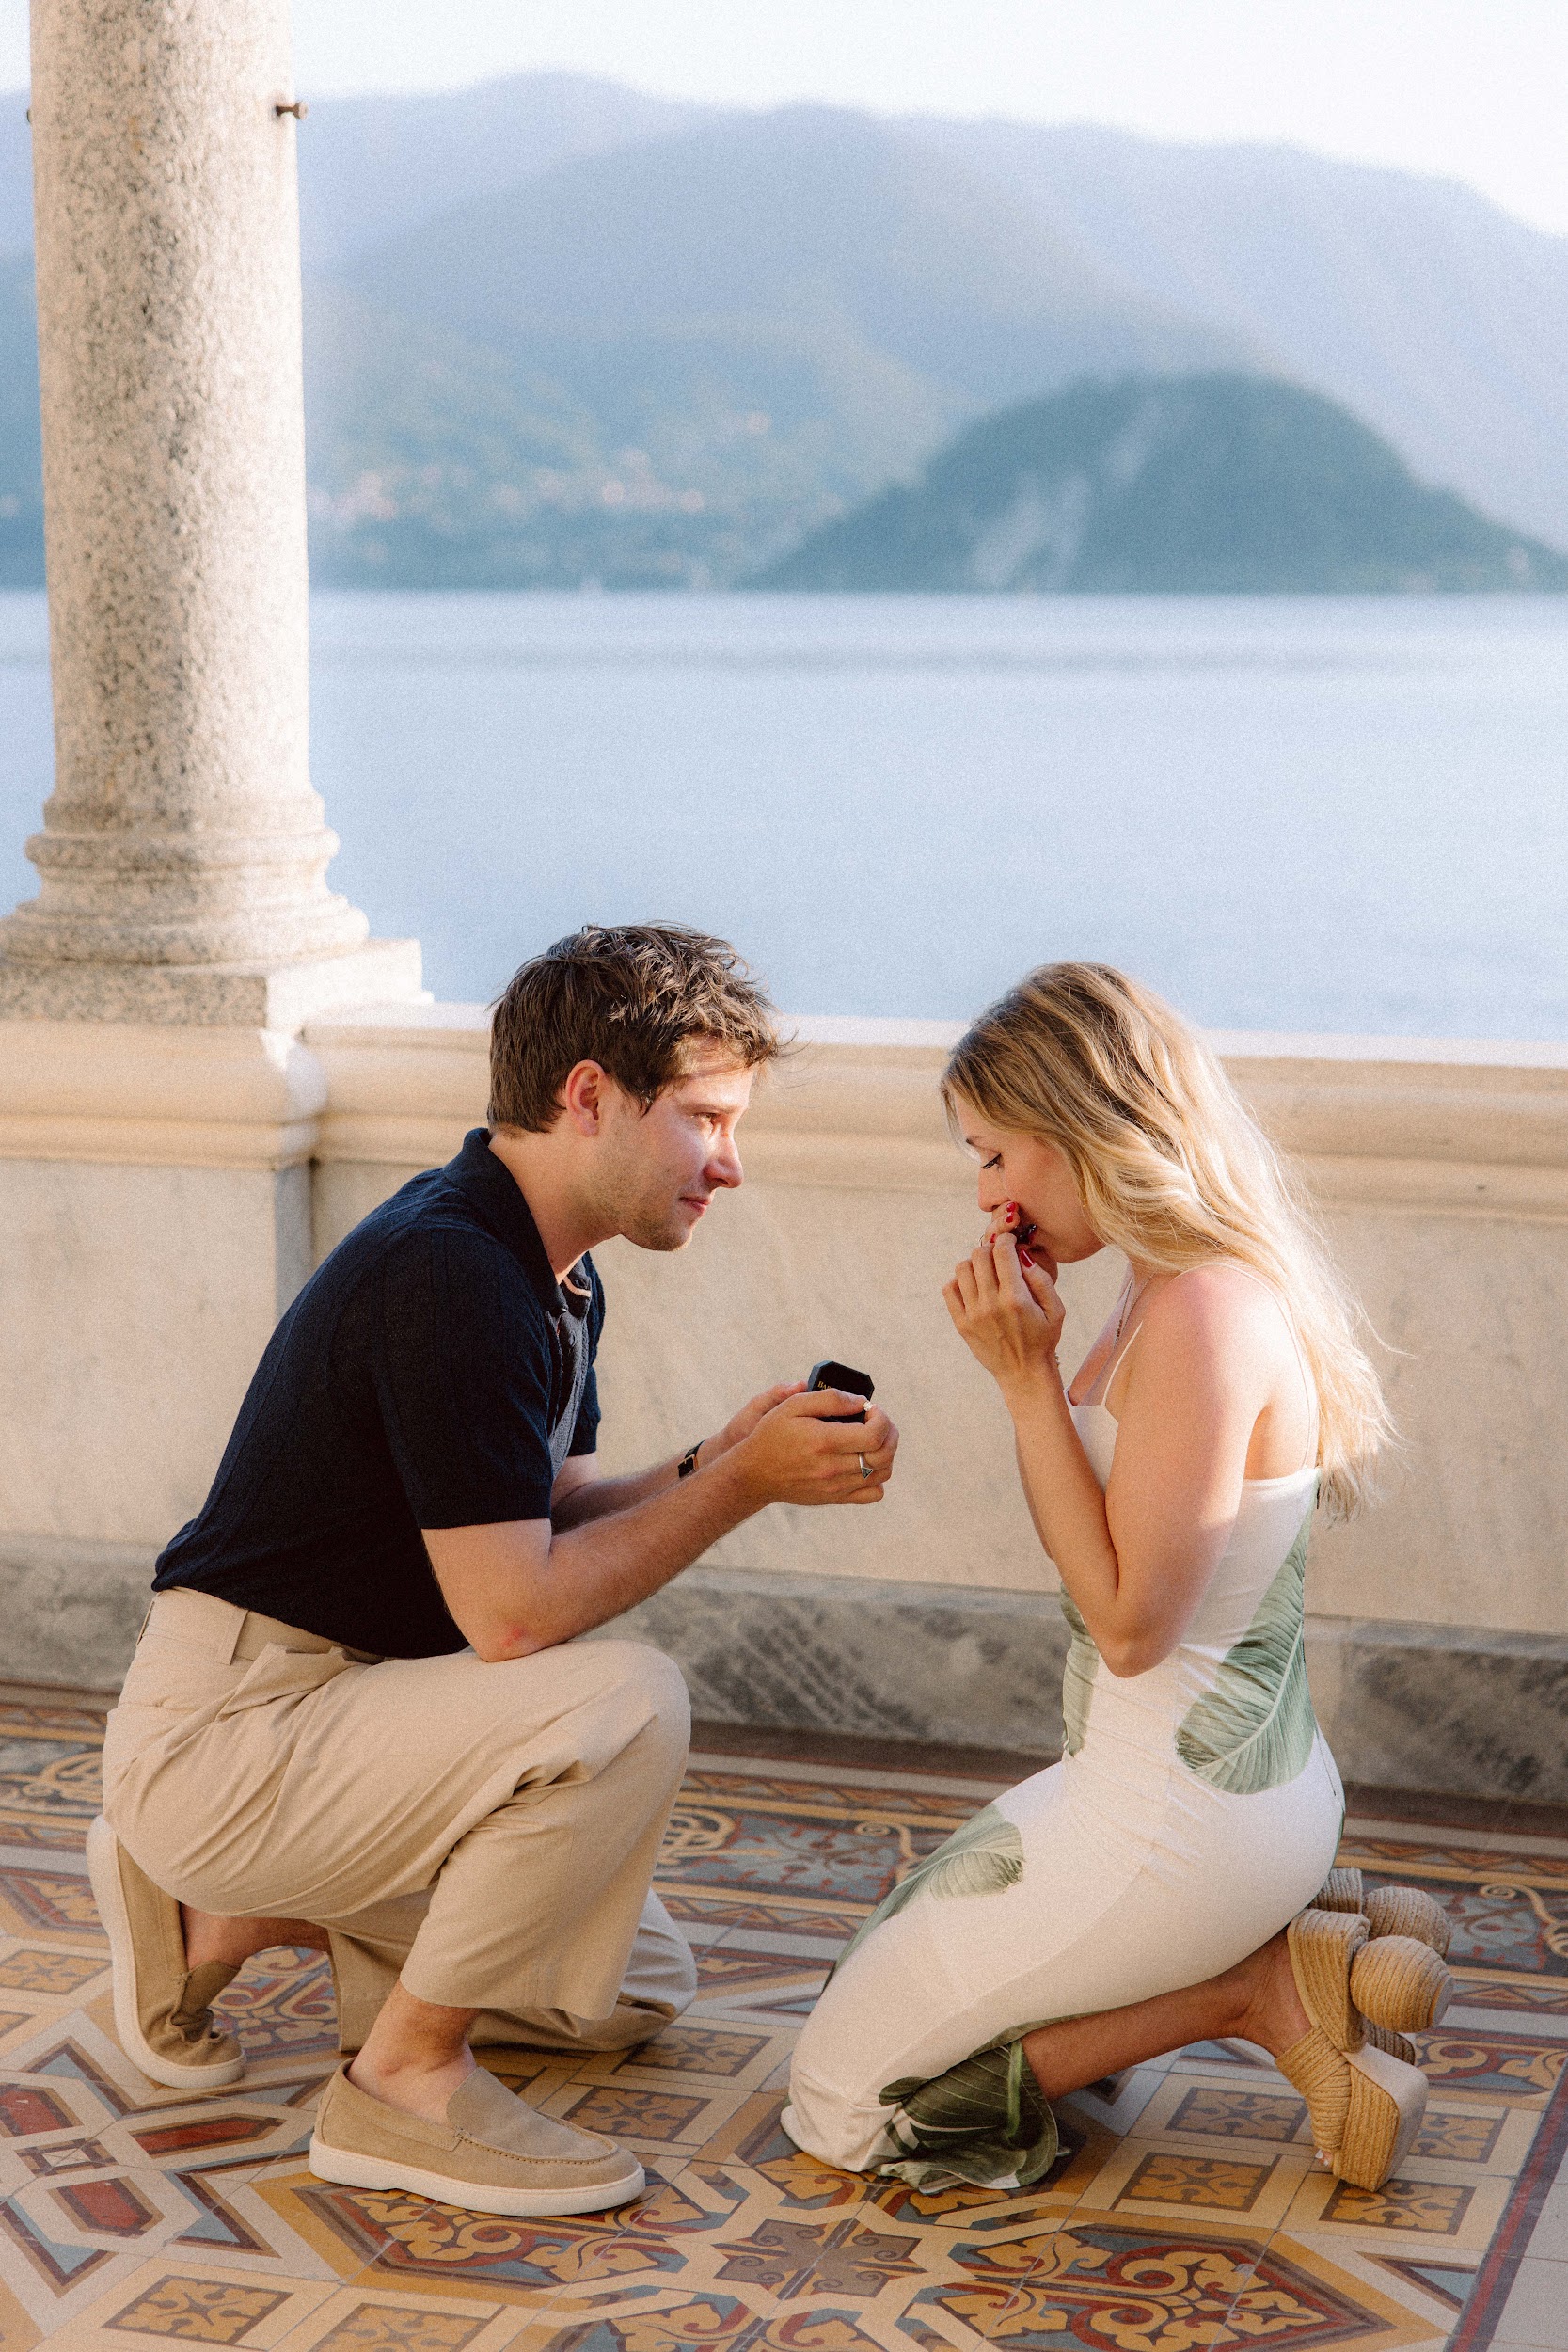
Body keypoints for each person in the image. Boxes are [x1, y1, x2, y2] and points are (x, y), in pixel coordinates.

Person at [90, 924, 898, 2220]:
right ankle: (401, 2081)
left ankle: (215, 1917)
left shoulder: (552, 1272)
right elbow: (514, 1616)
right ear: (590, 1095)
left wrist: (719, 1455)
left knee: (623, 1987)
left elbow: (549, 1511)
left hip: (342, 1715)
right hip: (237, 1729)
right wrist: (739, 1488)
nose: (729, 1164)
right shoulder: (450, 1270)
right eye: (705, 1120)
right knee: (629, 1699)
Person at [783, 961, 1451, 2197]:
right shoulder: (1166, 1286)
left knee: (842, 2103)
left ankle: (1253, 1990)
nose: (984, 1193)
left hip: (1182, 1829)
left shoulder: (1200, 1315)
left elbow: (1134, 1628)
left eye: (995, 1154)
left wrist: (1024, 1381)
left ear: (1080, 1125)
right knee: (873, 1979)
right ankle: (1298, 1943)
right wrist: (1035, 1366)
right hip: (1202, 1797)